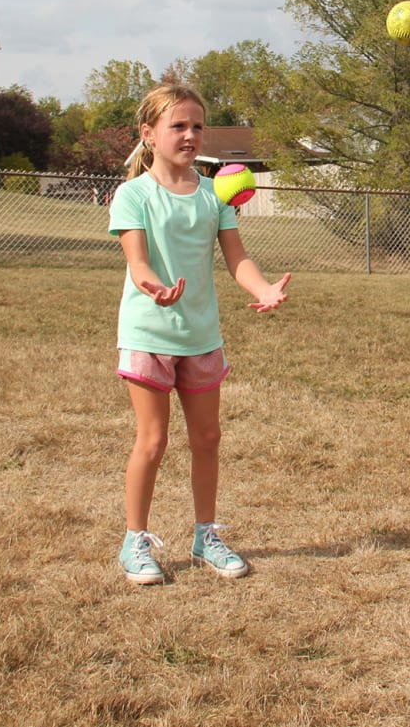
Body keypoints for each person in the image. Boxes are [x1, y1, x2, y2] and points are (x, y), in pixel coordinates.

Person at [108, 83, 291, 584]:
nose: (190, 135)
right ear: (149, 134)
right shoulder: (134, 194)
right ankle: (135, 541)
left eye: (197, 126)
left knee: (207, 437)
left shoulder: (215, 195)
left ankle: (205, 534)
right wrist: (153, 288)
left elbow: (237, 257)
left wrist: (264, 287)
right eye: (178, 126)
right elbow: (137, 261)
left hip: (202, 336)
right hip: (149, 332)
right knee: (153, 439)